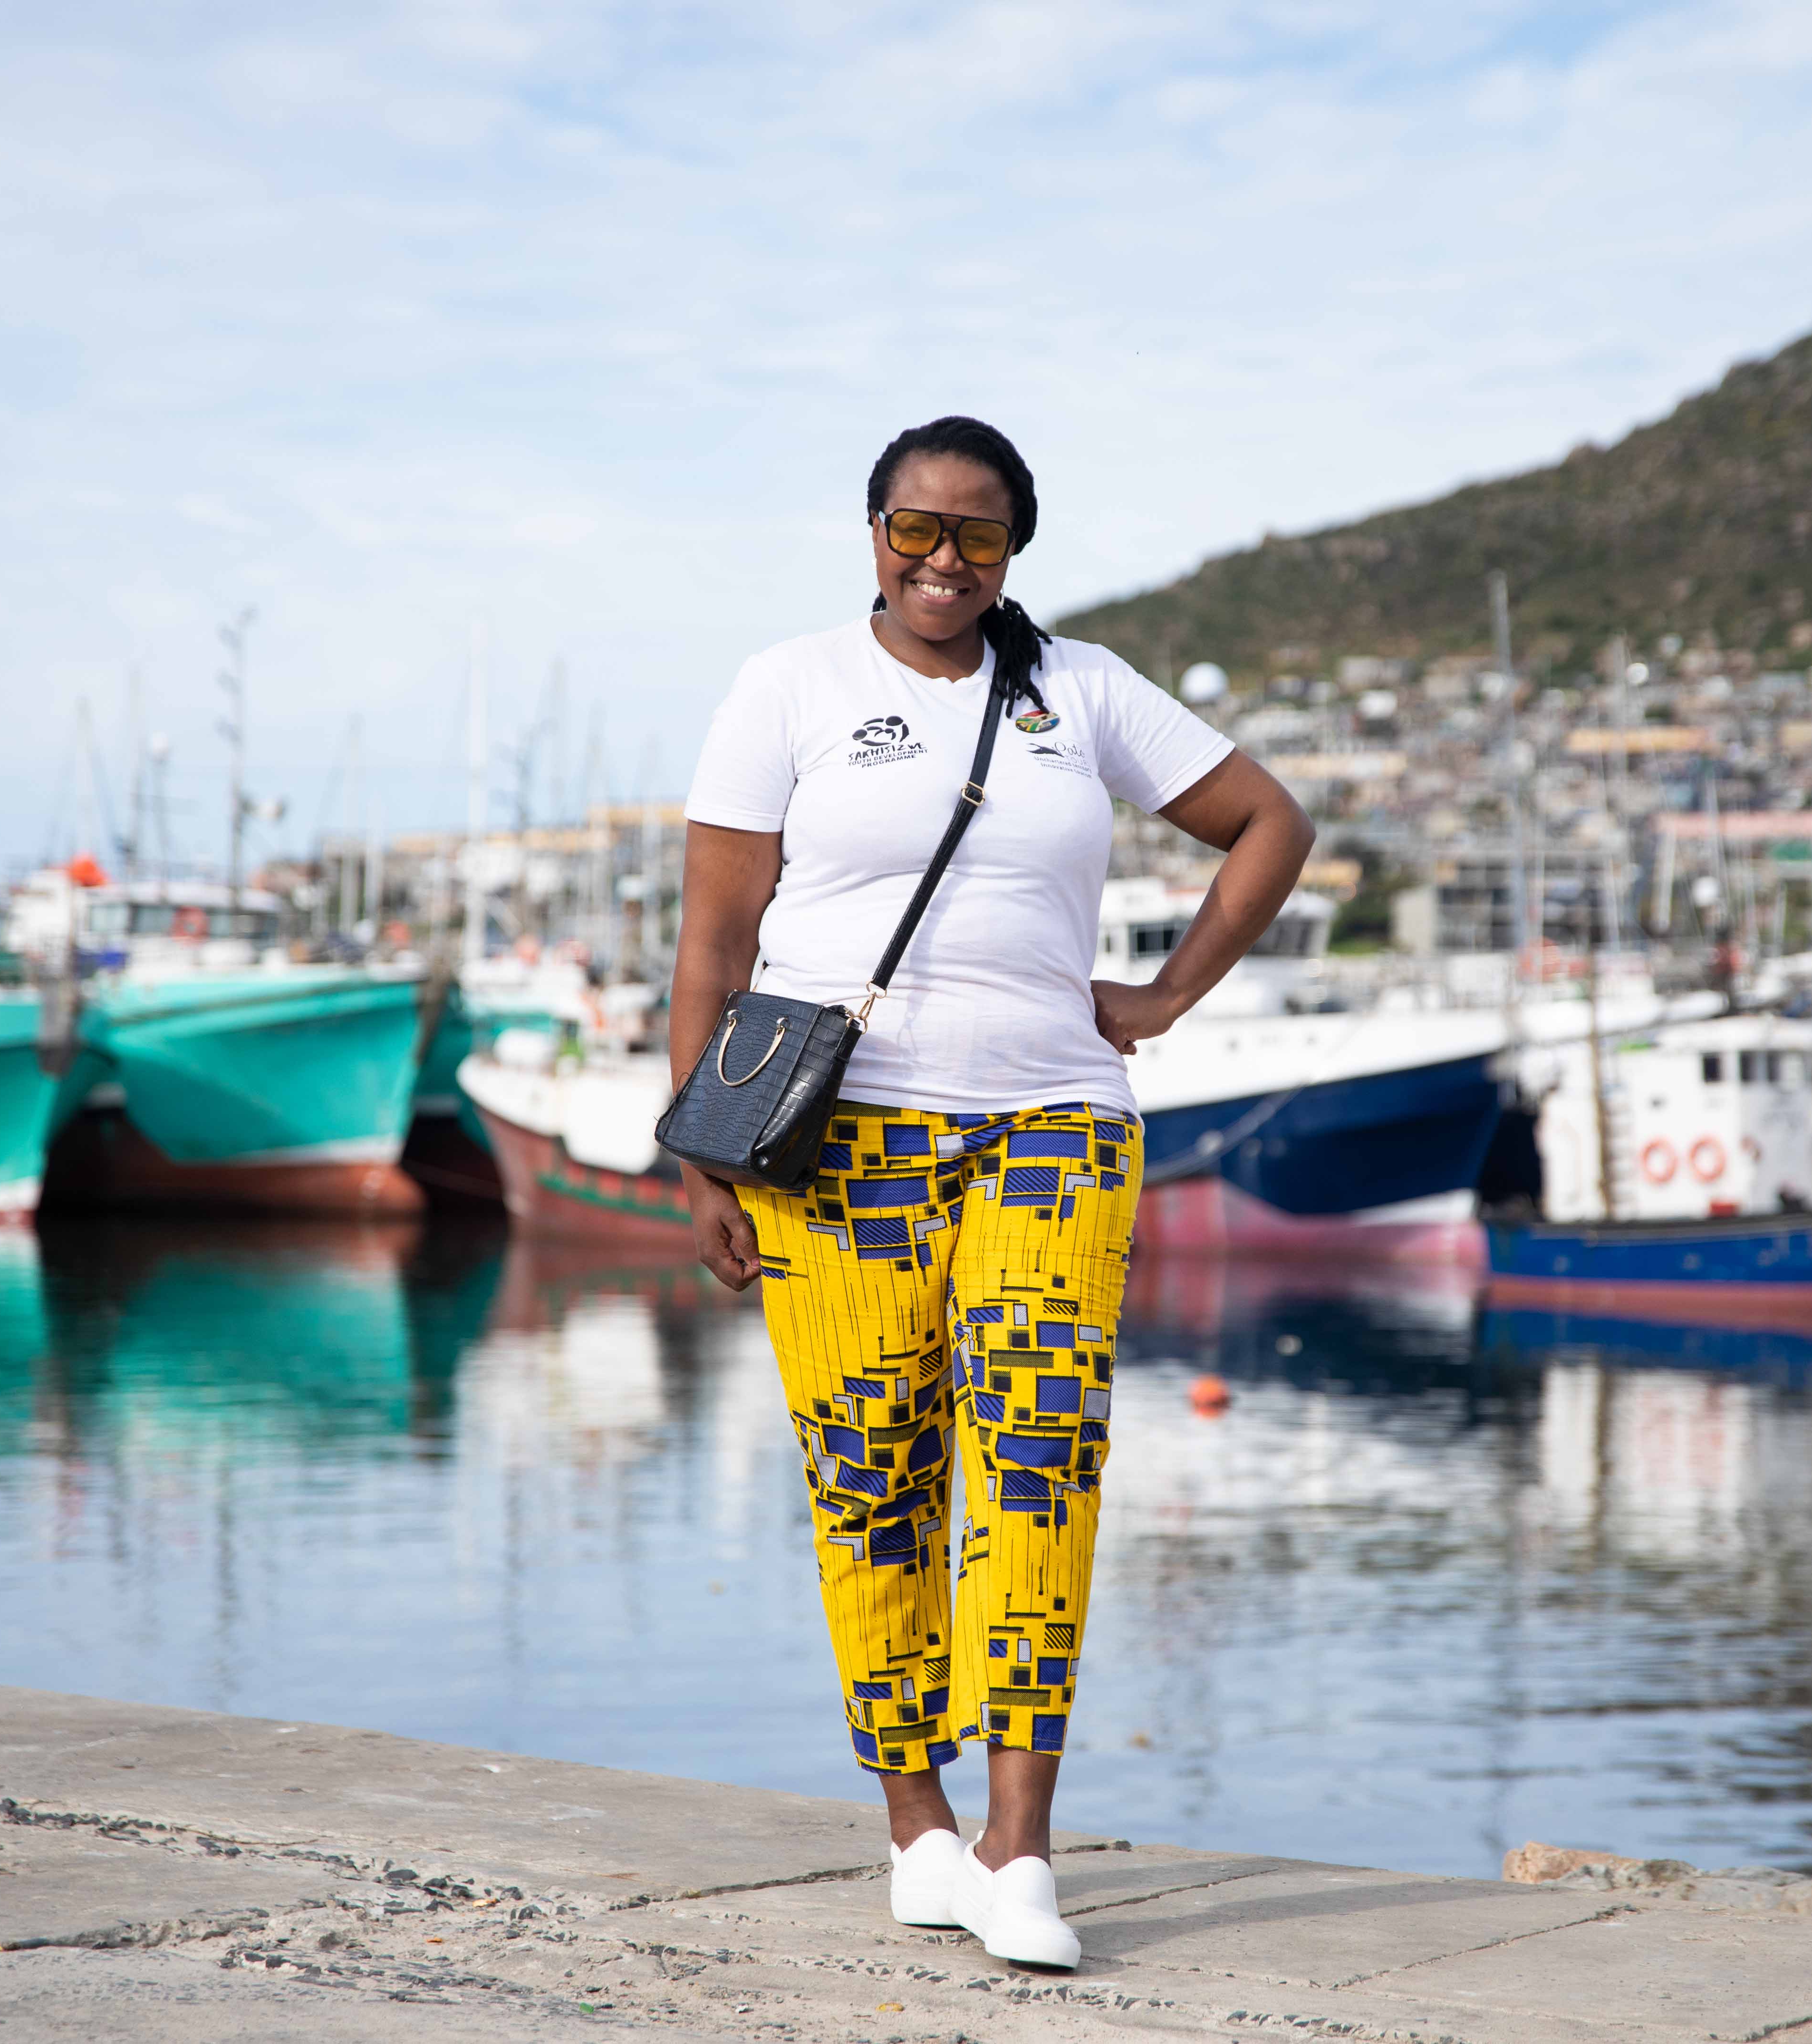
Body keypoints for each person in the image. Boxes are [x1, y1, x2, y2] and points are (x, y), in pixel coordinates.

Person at [670, 416, 1312, 1967]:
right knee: (871, 1469)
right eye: (914, 530)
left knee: (1038, 1454)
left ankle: (1023, 1849)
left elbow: (1268, 824)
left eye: (976, 536)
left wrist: (1159, 999)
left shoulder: (1078, 690)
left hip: (1052, 1122)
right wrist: (697, 1151)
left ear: (1016, 547)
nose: (942, 561)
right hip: (834, 1145)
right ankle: (919, 1826)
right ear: (871, 532)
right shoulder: (789, 687)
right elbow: (713, 939)